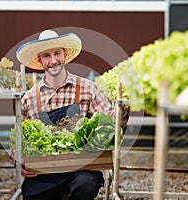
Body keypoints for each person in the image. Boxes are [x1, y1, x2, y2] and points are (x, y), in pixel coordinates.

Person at [9, 29, 128, 200]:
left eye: (57, 53)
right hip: (45, 171)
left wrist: (122, 112)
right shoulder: (29, 98)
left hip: (80, 169)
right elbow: (18, 137)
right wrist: (19, 159)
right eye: (46, 56)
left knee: (86, 184)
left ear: (65, 55)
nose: (53, 60)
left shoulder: (87, 88)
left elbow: (110, 122)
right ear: (40, 60)